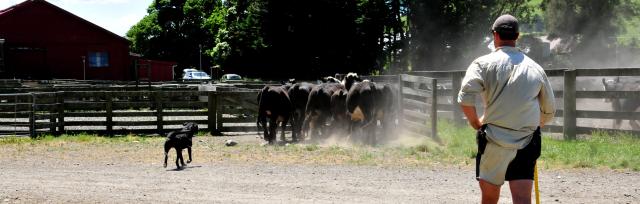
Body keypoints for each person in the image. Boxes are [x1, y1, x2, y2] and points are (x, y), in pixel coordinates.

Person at [457, 14, 556, 204]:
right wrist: (535, 125)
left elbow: (465, 97)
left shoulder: (481, 64)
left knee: (490, 198)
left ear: (495, 35)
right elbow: (549, 110)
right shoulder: (535, 68)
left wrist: (476, 123)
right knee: (521, 199)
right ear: (517, 36)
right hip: (527, 142)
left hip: (493, 140)